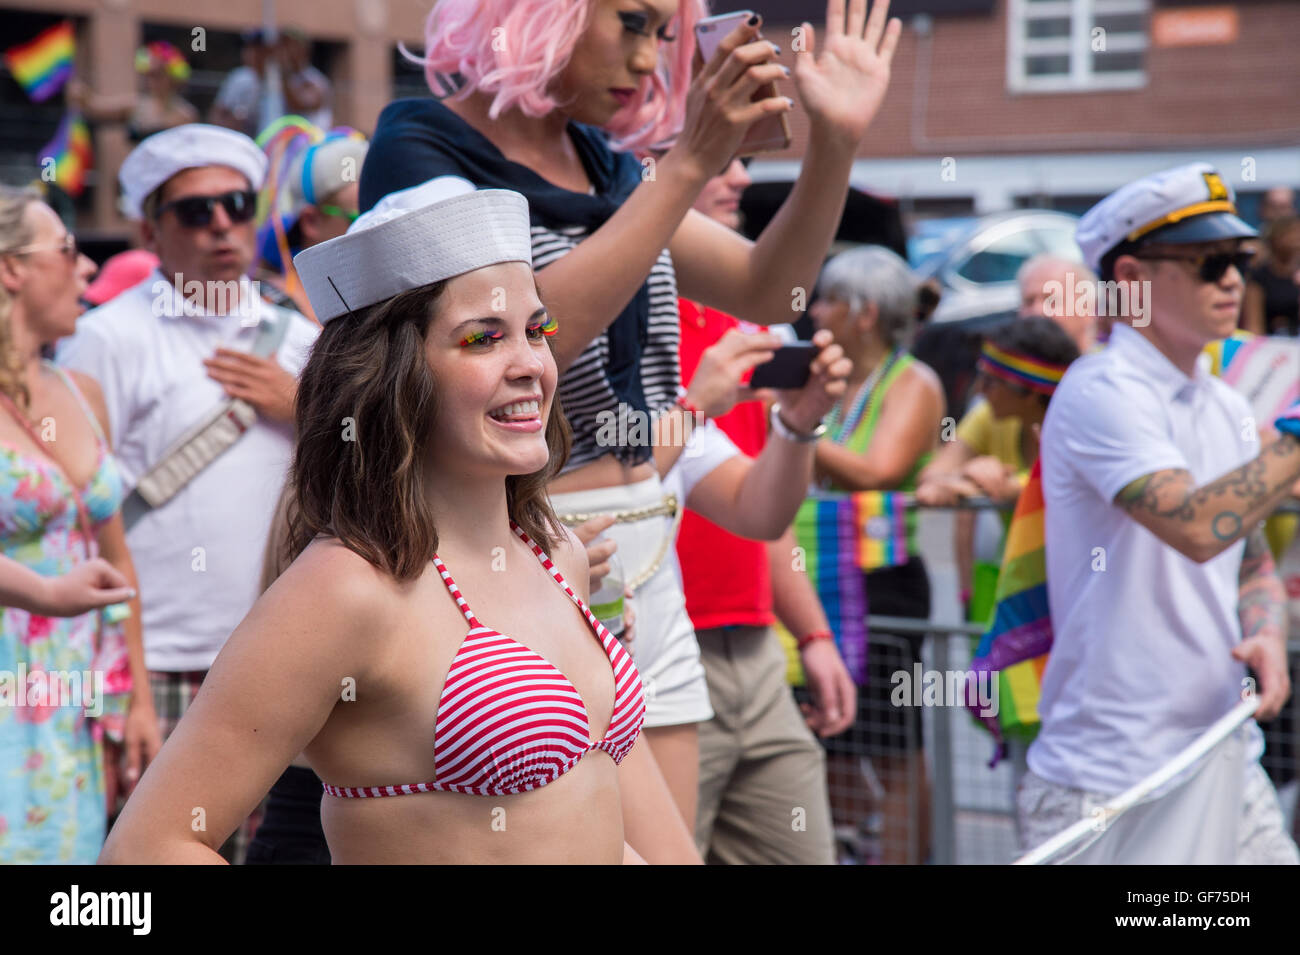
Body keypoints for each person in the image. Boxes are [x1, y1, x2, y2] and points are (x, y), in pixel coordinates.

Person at [359, 0, 903, 824]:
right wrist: (686, 164)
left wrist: (836, 142)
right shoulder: (420, 146)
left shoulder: (608, 166)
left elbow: (771, 289)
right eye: (632, 22)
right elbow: (521, 341)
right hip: (515, 546)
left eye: (665, 34)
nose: (652, 61)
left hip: (649, 548)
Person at [100, 175, 700, 865]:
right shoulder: (345, 587)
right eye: (483, 338)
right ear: (393, 374)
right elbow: (149, 846)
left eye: (538, 330)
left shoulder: (554, 551)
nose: (531, 364)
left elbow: (583, 806)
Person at [1019, 162, 1300, 863]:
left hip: (1220, 752)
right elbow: (1199, 526)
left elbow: (1249, 556)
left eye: (1240, 260)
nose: (1234, 279)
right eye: (1210, 263)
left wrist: (1264, 629)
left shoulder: (1225, 402)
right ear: (1134, 280)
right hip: (1118, 780)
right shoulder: (1101, 390)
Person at [58, 124, 318, 863]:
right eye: (195, 212)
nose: (222, 226)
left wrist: (301, 404)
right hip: (159, 663)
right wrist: (118, 673)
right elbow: (77, 510)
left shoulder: (296, 339)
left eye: (236, 205)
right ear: (148, 227)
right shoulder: (106, 338)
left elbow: (361, 470)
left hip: (280, 658)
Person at [675, 159, 855, 864]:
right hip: (653, 654)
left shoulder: (749, 321)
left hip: (752, 654)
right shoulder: (610, 315)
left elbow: (758, 504)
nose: (744, 177)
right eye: (721, 158)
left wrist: (813, 634)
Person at [0, 186, 159, 863]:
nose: (88, 268)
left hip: (72, 704)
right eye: (68, 251)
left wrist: (141, 702)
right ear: (11, 268)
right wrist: (43, 593)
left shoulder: (77, 388)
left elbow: (116, 558)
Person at [805, 244, 945, 864]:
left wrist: (791, 428)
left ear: (863, 314)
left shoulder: (911, 380)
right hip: (821, 577)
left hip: (882, 583)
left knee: (894, 744)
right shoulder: (828, 376)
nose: (815, 309)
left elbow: (876, 469)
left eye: (830, 298)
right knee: (831, 737)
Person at [915, 319, 1080, 622]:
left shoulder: (1079, 423)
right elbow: (931, 478)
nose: (979, 389)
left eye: (991, 381)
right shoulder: (991, 417)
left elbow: (1054, 485)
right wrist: (967, 476)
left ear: (1029, 391)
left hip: (1081, 589)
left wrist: (1001, 486)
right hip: (1026, 588)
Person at [254, 119, 369, 318]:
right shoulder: (267, 310)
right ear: (311, 221)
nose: (375, 228)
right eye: (359, 220)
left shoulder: (378, 303)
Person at [1015, 253, 1099, 351]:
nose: (1037, 311)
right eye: (1028, 301)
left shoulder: (1112, 364)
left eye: (1052, 301)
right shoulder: (1007, 362)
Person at [1242, 215, 1300, 337]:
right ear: (1275, 239)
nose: (1296, 240)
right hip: (1270, 344)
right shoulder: (1259, 278)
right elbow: (1254, 325)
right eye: (1290, 235)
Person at [128, 42, 199, 142]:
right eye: (146, 75)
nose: (149, 82)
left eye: (156, 75)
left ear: (172, 78)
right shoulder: (134, 105)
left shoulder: (186, 114)